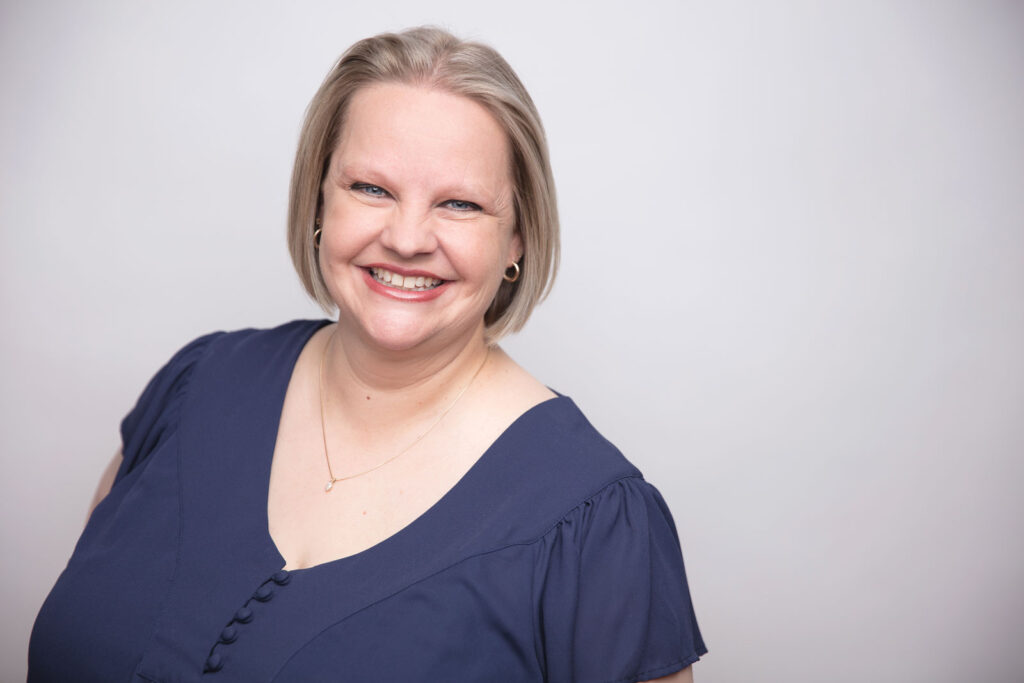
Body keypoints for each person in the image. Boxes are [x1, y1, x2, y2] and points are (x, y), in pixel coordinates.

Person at [28, 27, 706, 682]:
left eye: (461, 203)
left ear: (518, 240)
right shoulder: (196, 385)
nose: (408, 237)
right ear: (319, 195)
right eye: (371, 188)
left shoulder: (596, 524)